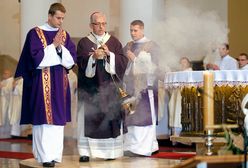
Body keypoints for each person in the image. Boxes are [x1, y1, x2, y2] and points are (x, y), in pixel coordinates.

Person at [14, 3, 76, 167]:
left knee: (57, 121)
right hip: (41, 83)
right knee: (43, 120)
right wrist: (54, 47)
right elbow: (35, 59)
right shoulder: (35, 33)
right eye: (58, 18)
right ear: (49, 16)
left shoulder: (64, 35)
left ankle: (55, 155)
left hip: (60, 82)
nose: (60, 21)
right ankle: (44, 157)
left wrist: (60, 49)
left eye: (63, 18)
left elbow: (70, 61)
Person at [77, 12, 128, 162]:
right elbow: (79, 63)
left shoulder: (114, 42)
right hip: (90, 91)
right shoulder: (84, 43)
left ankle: (109, 153)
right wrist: (92, 58)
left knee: (109, 119)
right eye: (97, 24)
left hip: (110, 90)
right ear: (91, 25)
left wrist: (109, 55)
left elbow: (122, 62)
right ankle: (85, 152)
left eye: (104, 23)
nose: (101, 27)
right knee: (88, 118)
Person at [123, 20, 159, 156]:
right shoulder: (128, 45)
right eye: (131, 30)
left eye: (135, 30)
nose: (132, 33)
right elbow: (121, 64)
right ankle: (131, 146)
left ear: (142, 30)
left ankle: (143, 148)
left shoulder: (152, 45)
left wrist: (135, 60)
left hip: (145, 87)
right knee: (131, 116)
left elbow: (155, 67)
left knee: (144, 116)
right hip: (130, 87)